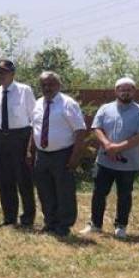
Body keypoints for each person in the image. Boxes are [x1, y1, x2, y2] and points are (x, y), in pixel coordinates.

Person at [83, 76, 139, 238]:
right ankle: (95, 224)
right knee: (99, 193)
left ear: (134, 91)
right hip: (104, 161)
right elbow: (96, 128)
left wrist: (117, 148)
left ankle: (121, 226)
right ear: (116, 91)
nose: (125, 92)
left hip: (128, 163)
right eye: (122, 89)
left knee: (124, 195)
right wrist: (108, 145)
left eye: (129, 90)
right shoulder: (105, 108)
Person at [28, 71, 87, 236]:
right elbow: (34, 129)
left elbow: (80, 131)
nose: (47, 88)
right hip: (42, 155)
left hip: (63, 154)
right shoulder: (37, 104)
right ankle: (50, 222)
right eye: (44, 85)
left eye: (51, 84)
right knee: (44, 190)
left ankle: (64, 225)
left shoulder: (68, 103)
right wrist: (30, 151)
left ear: (58, 85)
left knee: (64, 191)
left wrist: (75, 156)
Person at [0, 59, 36, 227]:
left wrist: (30, 146)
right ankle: (9, 217)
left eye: (4, 72)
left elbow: (34, 119)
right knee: (5, 180)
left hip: (20, 137)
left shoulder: (24, 90)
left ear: (12, 73)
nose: (0, 75)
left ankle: (28, 217)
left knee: (24, 180)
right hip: (1, 137)